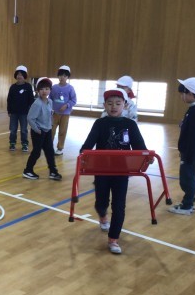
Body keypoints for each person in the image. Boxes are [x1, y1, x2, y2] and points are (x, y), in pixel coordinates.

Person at [80, 88, 148, 254]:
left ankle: (113, 239)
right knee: (101, 202)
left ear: (125, 105)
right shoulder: (100, 123)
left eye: (118, 103)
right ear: (104, 105)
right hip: (102, 169)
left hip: (121, 171)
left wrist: (147, 156)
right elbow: (88, 144)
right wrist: (83, 153)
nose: (114, 106)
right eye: (110, 103)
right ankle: (103, 216)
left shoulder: (130, 125)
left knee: (119, 206)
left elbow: (139, 146)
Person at [168, 77, 195, 216]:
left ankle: (187, 205)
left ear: (190, 93)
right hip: (190, 150)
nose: (181, 97)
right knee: (188, 177)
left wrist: (188, 155)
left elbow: (194, 136)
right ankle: (188, 202)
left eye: (183, 93)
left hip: (191, 152)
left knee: (187, 179)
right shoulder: (194, 109)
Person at [23, 77, 62, 181]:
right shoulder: (37, 103)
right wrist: (37, 130)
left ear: (50, 90)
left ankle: (53, 171)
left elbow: (49, 115)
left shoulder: (50, 101)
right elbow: (30, 118)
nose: (44, 91)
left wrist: (50, 126)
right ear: (38, 91)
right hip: (39, 132)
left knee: (50, 151)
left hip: (47, 130)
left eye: (47, 89)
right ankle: (27, 170)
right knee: (36, 152)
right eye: (41, 89)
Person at [49, 65, 77, 155]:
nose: (62, 77)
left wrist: (66, 105)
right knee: (51, 130)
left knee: (62, 131)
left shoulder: (70, 88)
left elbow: (74, 100)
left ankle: (60, 148)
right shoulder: (54, 87)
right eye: (60, 75)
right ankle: (49, 146)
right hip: (54, 114)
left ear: (67, 77)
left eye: (64, 76)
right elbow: (50, 98)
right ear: (58, 76)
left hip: (65, 114)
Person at [6, 65, 34, 152]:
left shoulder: (28, 86)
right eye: (18, 74)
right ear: (16, 75)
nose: (19, 76)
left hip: (24, 113)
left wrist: (31, 111)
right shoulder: (13, 87)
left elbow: (31, 100)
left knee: (24, 130)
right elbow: (9, 99)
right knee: (13, 129)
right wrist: (9, 111)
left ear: (24, 76)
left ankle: (24, 144)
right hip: (14, 113)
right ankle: (12, 143)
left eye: (21, 74)